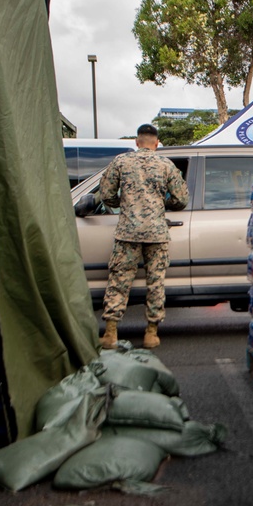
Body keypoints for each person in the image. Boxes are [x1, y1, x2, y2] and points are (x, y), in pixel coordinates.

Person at [97, 123, 188, 349]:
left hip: (127, 232)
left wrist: (125, 204)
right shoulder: (166, 164)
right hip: (157, 233)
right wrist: (161, 204)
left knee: (118, 281)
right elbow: (181, 199)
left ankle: (110, 333)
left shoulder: (121, 162)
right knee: (155, 283)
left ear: (137, 142)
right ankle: (151, 333)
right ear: (157, 143)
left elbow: (106, 194)